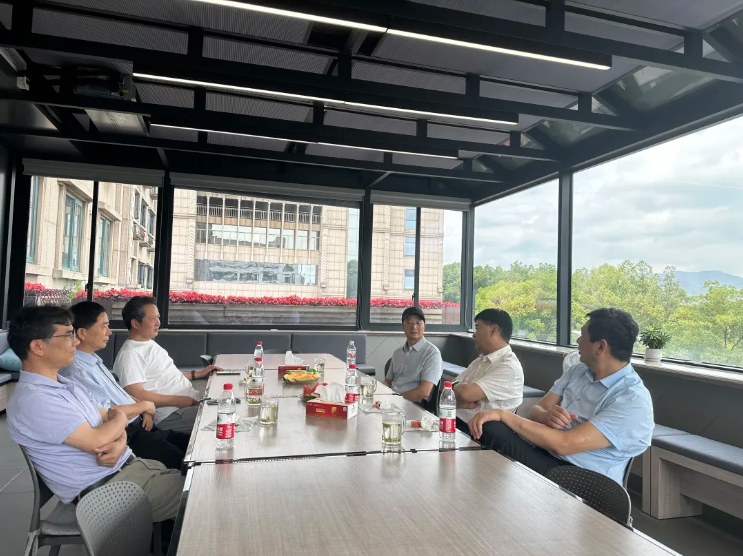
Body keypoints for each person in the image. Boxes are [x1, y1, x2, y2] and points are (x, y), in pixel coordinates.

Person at [6, 306, 184, 523]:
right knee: (209, 493)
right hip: (107, 493)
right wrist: (119, 420)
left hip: (132, 471)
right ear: (38, 346)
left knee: (204, 475)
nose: (75, 342)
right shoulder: (34, 400)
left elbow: (110, 417)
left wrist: (120, 441)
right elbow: (99, 438)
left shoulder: (67, 385)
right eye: (68, 335)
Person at [468, 308, 654, 485]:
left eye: (583, 336)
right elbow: (536, 410)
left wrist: (503, 414)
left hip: (581, 477)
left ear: (600, 346)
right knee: (489, 428)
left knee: (493, 426)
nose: (578, 341)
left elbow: (564, 444)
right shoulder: (578, 371)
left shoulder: (632, 400)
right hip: (545, 453)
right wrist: (545, 416)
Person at [60, 302, 189, 470]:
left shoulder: (93, 362)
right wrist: (145, 406)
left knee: (194, 445)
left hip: (143, 425)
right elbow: (106, 413)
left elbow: (119, 395)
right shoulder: (78, 371)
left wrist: (144, 410)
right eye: (104, 327)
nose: (109, 332)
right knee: (188, 464)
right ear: (82, 333)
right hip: (130, 435)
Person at [114, 296, 220, 434]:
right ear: (135, 323)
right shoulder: (130, 354)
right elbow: (136, 394)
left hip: (189, 401)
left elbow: (164, 376)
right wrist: (177, 400)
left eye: (158, 317)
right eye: (153, 319)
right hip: (172, 414)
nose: (158, 322)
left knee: (234, 404)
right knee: (228, 418)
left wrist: (197, 374)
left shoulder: (148, 343)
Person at [453, 308, 523, 433]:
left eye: (477, 328)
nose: (474, 334)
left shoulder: (509, 367)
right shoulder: (480, 360)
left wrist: (459, 391)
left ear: (493, 330)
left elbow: (465, 393)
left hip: (477, 435)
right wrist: (458, 393)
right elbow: (449, 388)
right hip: (455, 423)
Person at [384, 307, 443, 403]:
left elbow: (424, 391)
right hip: (392, 400)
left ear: (424, 326)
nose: (414, 327)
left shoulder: (432, 354)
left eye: (418, 323)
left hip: (414, 405)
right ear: (403, 326)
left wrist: (396, 399)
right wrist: (381, 395)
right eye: (409, 323)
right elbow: (387, 381)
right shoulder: (397, 353)